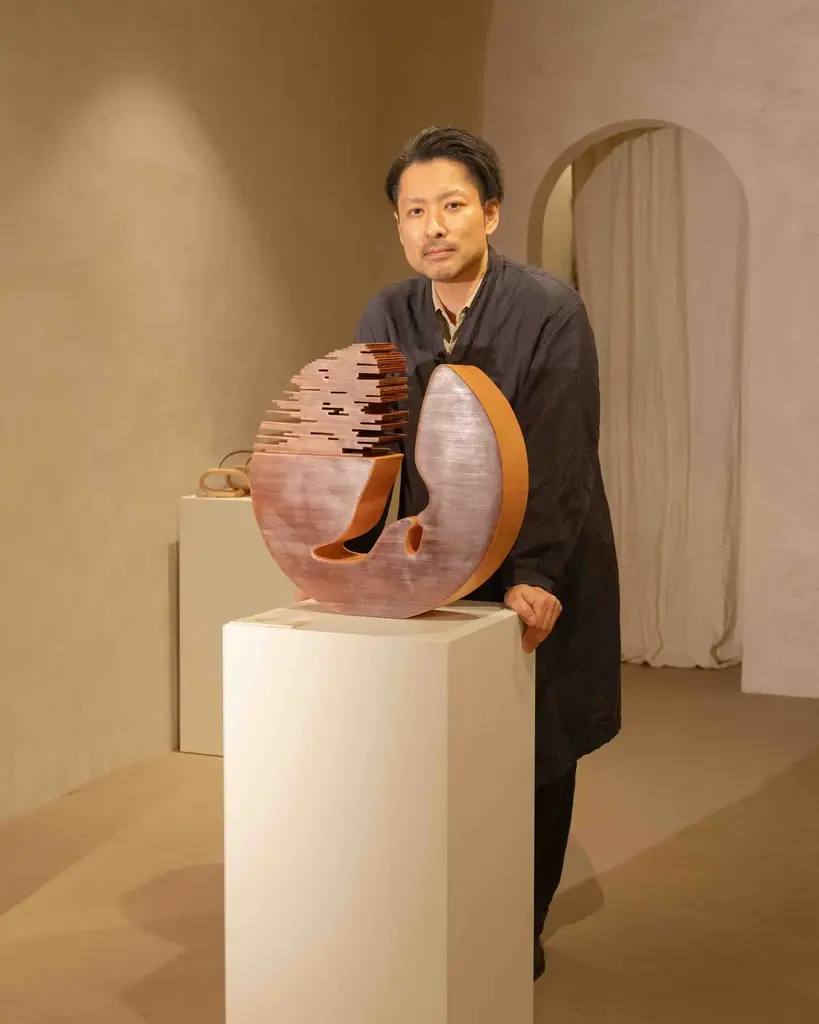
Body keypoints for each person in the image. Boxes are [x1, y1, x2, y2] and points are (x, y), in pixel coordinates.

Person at [353, 126, 622, 982]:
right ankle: (435, 914)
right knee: (430, 743)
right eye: (414, 211)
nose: (432, 226)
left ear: (491, 213)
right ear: (398, 225)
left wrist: (537, 573)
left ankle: (514, 931)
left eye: (452, 206)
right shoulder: (387, 312)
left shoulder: (548, 308)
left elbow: (563, 447)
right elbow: (370, 443)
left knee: (532, 748)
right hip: (430, 560)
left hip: (532, 559)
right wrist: (356, 557)